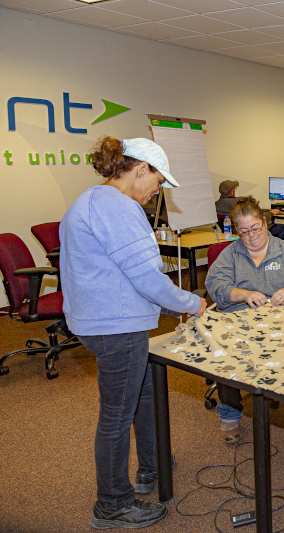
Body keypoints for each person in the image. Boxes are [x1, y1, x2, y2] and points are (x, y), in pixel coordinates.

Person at [59, 137, 207, 530]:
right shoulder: (120, 207)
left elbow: (116, 274)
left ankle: (151, 465)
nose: (158, 191)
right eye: (158, 181)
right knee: (117, 415)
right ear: (141, 169)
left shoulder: (88, 200)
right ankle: (112, 504)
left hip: (101, 320)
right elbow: (147, 278)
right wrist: (193, 303)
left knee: (143, 395)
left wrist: (168, 305)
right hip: (117, 327)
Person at [205, 196, 284, 443]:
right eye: (244, 232)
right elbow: (216, 287)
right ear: (237, 232)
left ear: (265, 224)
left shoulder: (282, 249)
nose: (251, 236)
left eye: (256, 228)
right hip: (239, 321)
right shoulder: (230, 254)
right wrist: (243, 294)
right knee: (225, 356)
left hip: (279, 321)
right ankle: (229, 414)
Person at [216, 180, 284, 240]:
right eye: (234, 189)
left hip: (230, 235)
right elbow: (257, 216)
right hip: (249, 234)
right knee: (281, 227)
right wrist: (271, 213)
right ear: (231, 192)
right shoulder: (239, 203)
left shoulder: (215, 205)